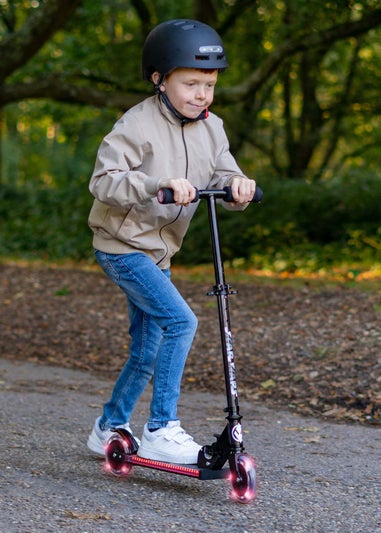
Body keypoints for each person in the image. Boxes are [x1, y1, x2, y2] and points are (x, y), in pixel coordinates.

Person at [86, 19, 256, 464]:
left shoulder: (211, 126)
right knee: (182, 322)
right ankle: (161, 427)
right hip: (122, 247)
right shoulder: (136, 124)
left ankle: (108, 426)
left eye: (210, 84)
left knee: (147, 350)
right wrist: (156, 183)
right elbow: (104, 181)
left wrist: (238, 184)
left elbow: (223, 170)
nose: (202, 94)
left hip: (159, 251)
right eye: (191, 83)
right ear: (160, 80)